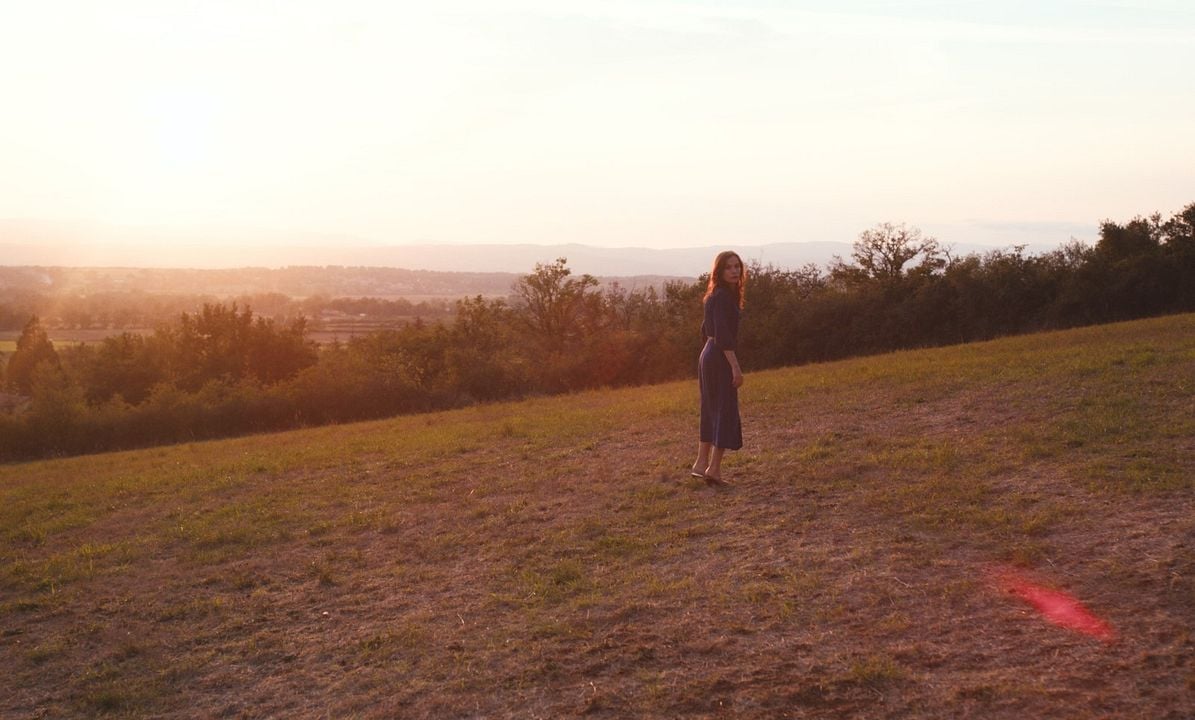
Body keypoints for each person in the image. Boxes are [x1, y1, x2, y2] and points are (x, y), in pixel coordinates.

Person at [691, 250, 745, 485]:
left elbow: (705, 329)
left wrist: (709, 353)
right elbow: (723, 335)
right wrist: (735, 367)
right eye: (729, 267)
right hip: (718, 356)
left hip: (708, 354)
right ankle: (713, 469)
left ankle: (700, 464)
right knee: (725, 409)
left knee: (711, 408)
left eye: (737, 267)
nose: (735, 271)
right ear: (719, 271)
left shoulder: (713, 295)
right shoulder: (723, 297)